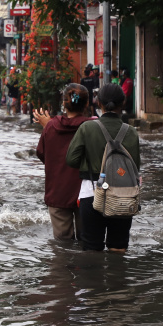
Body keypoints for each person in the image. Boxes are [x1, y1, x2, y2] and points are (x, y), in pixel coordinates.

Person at [66, 84, 140, 253]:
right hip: (124, 195)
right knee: (118, 248)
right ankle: (117, 278)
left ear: (98, 103)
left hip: (91, 194)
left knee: (92, 250)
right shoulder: (131, 132)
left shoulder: (87, 127)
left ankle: (95, 279)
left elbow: (71, 160)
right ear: (123, 103)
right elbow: (135, 167)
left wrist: (91, 161)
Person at [34, 84, 93, 241]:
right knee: (86, 242)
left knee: (62, 245)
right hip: (86, 193)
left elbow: (42, 154)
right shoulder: (93, 127)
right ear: (87, 103)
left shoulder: (51, 127)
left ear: (64, 103)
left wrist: (49, 126)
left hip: (58, 192)